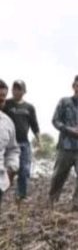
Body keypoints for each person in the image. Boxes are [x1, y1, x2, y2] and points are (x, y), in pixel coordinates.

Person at [49, 75, 78, 208]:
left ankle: (77, 201)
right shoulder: (64, 102)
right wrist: (68, 130)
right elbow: (55, 120)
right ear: (73, 86)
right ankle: (52, 199)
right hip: (65, 146)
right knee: (59, 175)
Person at [1, 80, 40, 201]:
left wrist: (39, 140)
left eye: (19, 89)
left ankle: (21, 195)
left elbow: (34, 125)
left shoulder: (29, 108)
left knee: (24, 169)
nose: (17, 91)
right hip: (7, 144)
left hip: (22, 143)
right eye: (15, 89)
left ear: (24, 91)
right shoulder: (6, 104)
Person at [0, 79, 20, 209]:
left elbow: (13, 149)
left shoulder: (7, 122)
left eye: (3, 97)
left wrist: (11, 168)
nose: (1, 100)